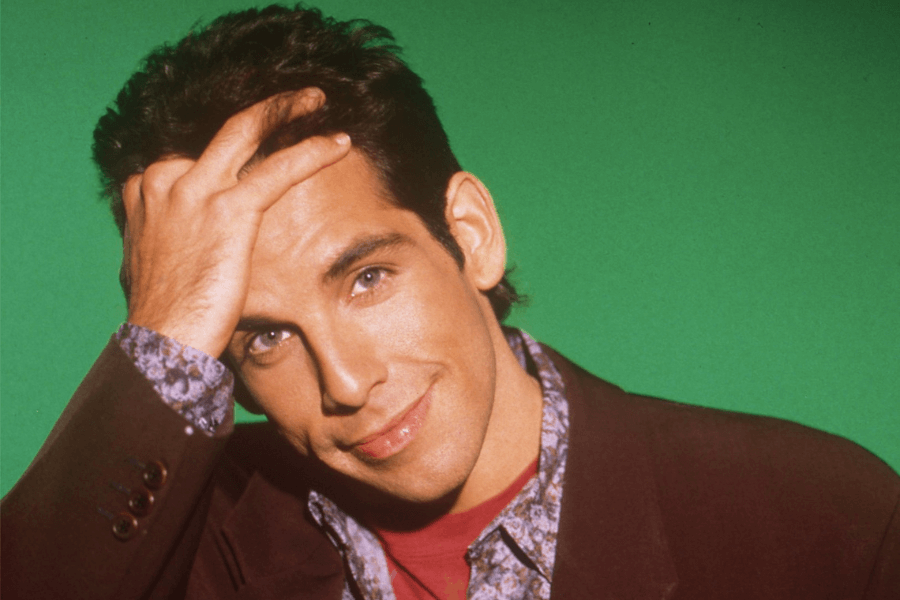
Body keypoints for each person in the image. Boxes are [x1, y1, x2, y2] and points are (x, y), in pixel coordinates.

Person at [2, 4, 898, 599]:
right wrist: (161, 340)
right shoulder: (166, 552)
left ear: (470, 234)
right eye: (263, 339)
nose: (347, 383)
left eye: (366, 277)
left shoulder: (822, 524)